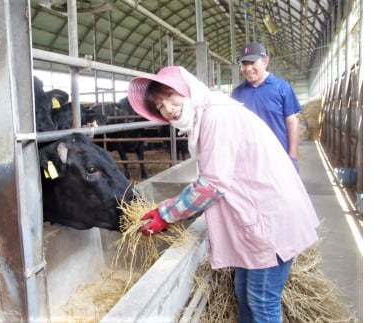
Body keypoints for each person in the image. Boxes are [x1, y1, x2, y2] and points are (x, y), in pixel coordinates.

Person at [127, 65, 319, 323]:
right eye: (160, 106)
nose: (168, 108)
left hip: (268, 216)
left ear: (186, 89)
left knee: (262, 299)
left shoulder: (217, 116)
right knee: (243, 292)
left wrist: (166, 213)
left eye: (170, 97)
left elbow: (212, 184)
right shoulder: (206, 116)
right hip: (256, 213)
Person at [231, 41, 302, 172]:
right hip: (248, 161)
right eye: (244, 64)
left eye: (252, 62)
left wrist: (292, 157)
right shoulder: (237, 93)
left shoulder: (282, 88)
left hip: (278, 159)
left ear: (265, 62)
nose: (248, 68)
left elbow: (292, 123)